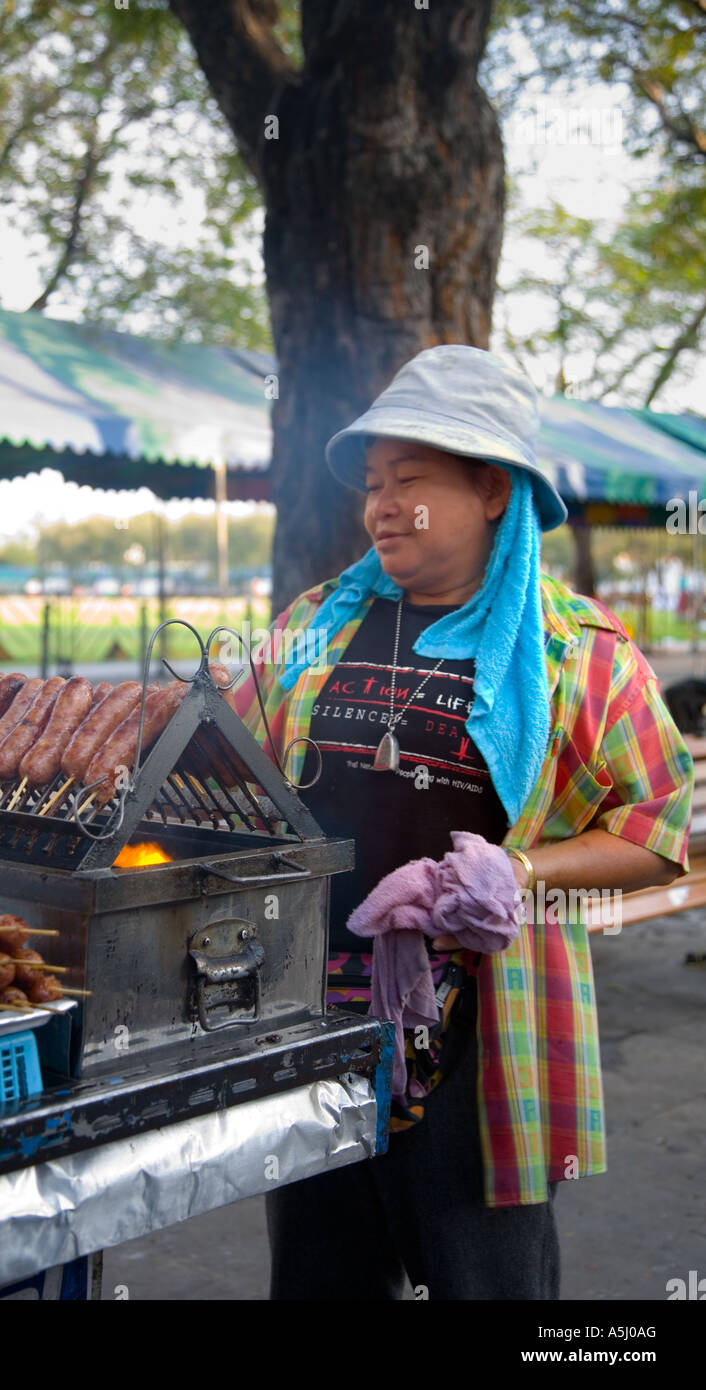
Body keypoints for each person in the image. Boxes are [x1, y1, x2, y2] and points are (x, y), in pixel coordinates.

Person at [229, 345, 694, 1301]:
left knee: (491, 1285)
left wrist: (518, 876)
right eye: (372, 485)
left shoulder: (583, 656)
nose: (382, 506)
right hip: (313, 1016)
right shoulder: (316, 623)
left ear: (492, 491)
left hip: (484, 1029)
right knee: (320, 1279)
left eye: (410, 481)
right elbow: (228, 770)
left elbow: (656, 837)